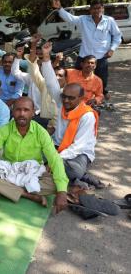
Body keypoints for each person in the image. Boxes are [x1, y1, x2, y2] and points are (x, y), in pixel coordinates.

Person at [0, 97, 69, 212]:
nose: (22, 114)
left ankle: (8, 190)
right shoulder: (4, 130)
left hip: (33, 173)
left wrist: (62, 192)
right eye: (18, 110)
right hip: (10, 171)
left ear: (32, 112)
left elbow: (54, 159)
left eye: (26, 110)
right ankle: (28, 194)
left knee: (57, 184)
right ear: (12, 110)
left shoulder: (41, 132)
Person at [41, 44, 104, 189]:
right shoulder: (62, 103)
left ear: (81, 98)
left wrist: (55, 159)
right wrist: (45, 56)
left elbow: (78, 146)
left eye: (71, 98)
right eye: (64, 97)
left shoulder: (87, 116)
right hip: (57, 146)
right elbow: (51, 83)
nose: (66, 101)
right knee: (30, 153)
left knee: (73, 169)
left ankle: (78, 176)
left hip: (78, 153)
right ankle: (73, 177)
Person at [51, 0, 122, 96]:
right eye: (94, 8)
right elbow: (70, 18)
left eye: (99, 8)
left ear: (103, 9)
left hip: (101, 57)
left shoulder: (109, 21)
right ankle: (74, 95)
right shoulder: (84, 19)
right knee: (75, 77)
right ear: (90, 10)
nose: (96, 10)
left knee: (101, 81)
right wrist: (59, 9)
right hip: (84, 55)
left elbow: (117, 36)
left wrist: (112, 49)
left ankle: (99, 99)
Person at [11, 36, 59, 129]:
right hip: (31, 114)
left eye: (43, 60)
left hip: (47, 118)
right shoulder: (32, 78)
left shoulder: (55, 81)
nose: (40, 62)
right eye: (38, 61)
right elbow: (16, 73)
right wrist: (18, 57)